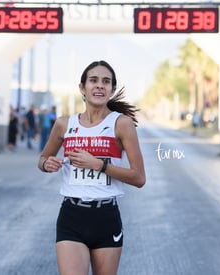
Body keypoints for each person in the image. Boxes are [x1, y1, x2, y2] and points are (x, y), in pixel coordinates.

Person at [38, 60, 146, 275]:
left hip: (106, 217)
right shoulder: (64, 124)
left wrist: (98, 164)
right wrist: (46, 164)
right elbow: (42, 158)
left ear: (112, 90)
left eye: (106, 82)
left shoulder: (121, 124)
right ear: (82, 88)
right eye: (93, 80)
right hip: (71, 215)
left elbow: (139, 177)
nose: (99, 85)